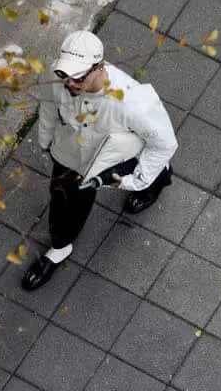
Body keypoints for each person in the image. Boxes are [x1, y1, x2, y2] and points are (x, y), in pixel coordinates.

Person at [22, 29, 178, 291]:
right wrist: (45, 139)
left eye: (77, 77)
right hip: (73, 155)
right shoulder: (57, 76)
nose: (69, 83)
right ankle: (60, 247)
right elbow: (48, 105)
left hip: (118, 156)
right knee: (63, 201)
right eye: (65, 75)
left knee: (151, 165)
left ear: (99, 67)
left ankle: (158, 179)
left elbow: (163, 143)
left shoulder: (133, 101)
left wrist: (137, 181)